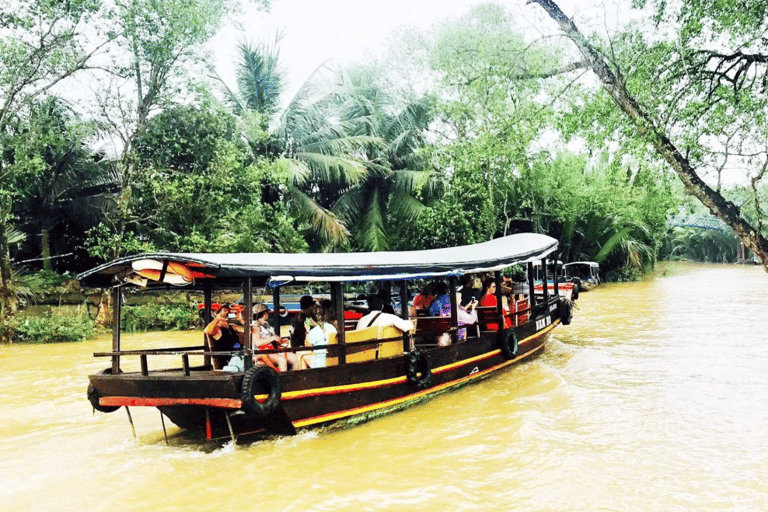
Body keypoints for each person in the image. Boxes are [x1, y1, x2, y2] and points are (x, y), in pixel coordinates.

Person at [204, 304, 240, 369]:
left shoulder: (231, 327)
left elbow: (247, 330)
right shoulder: (217, 329)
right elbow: (207, 331)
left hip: (238, 354)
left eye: (228, 311)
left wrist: (240, 317)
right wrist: (217, 319)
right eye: (224, 311)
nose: (227, 313)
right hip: (227, 361)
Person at [301, 304, 337, 369]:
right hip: (332, 361)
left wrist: (307, 331)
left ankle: (304, 377)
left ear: (311, 319)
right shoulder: (332, 327)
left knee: (301, 355)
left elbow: (307, 346)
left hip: (320, 363)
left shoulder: (313, 332)